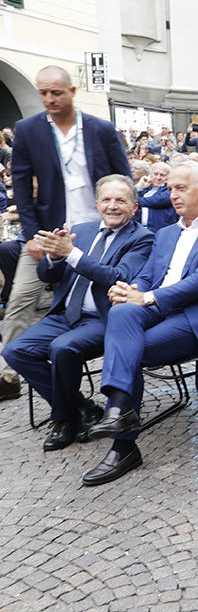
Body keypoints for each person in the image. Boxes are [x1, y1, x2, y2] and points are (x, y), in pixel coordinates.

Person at [82, 162, 198, 485]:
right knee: (120, 311)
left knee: (132, 348)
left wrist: (147, 298)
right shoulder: (167, 232)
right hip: (160, 309)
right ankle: (120, 414)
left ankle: (122, 443)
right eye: (170, 188)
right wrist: (131, 290)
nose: (172, 195)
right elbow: (148, 275)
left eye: (180, 188)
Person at [1, 66, 132, 400]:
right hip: (50, 233)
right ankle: (8, 376)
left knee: (103, 301)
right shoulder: (28, 130)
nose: (49, 99)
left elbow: (125, 180)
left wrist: (128, 226)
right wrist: (31, 235)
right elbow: (20, 185)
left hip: (102, 232)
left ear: (72, 91)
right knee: (20, 300)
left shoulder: (101, 129)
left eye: (56, 93)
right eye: (43, 93)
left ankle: (110, 380)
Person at [5, 175, 154, 450]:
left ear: (134, 207)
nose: (112, 206)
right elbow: (47, 275)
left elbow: (116, 276)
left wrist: (71, 253)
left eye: (120, 200)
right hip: (64, 314)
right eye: (106, 200)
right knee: (14, 351)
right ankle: (82, 407)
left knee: (63, 348)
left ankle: (64, 419)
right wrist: (55, 257)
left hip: (102, 317)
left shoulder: (142, 238)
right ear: (97, 204)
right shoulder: (82, 230)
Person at [136, 161, 177, 232]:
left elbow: (156, 201)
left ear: (169, 176)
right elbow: (128, 197)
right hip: (140, 232)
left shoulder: (170, 189)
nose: (158, 177)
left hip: (159, 232)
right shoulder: (145, 189)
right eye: (155, 174)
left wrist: (134, 201)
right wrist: (139, 187)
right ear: (150, 174)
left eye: (162, 175)